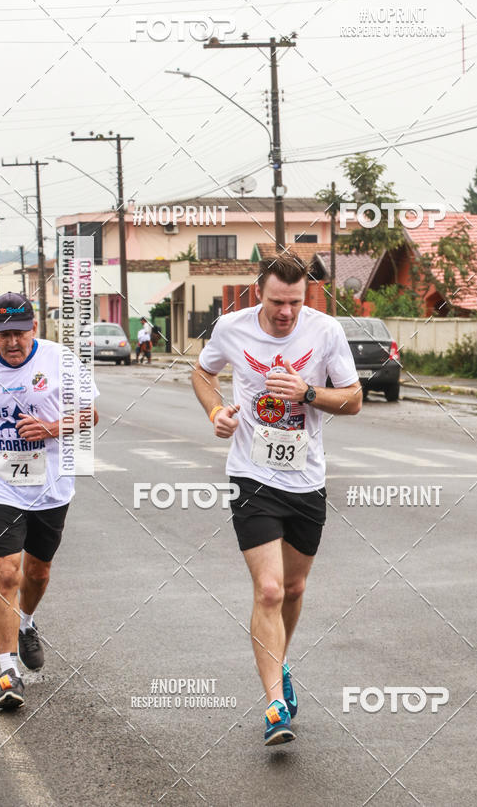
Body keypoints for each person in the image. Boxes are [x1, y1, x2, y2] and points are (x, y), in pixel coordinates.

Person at [192, 257, 361, 745]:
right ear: (259, 294)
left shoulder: (325, 331)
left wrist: (308, 392)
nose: (286, 312)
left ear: (306, 295)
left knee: (293, 589)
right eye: (276, 302)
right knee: (268, 589)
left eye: (295, 302)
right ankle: (274, 705)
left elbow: (353, 399)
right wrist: (216, 413)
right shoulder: (232, 328)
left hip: (305, 479)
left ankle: (280, 660)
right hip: (252, 476)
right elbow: (202, 375)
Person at [0, 293, 99, 709]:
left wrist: (52, 427)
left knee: (37, 572)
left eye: (18, 333)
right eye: (3, 335)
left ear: (34, 328)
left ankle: (27, 624)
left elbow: (90, 414)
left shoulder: (60, 360)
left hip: (50, 485)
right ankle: (6, 672)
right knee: (6, 574)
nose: (11, 343)